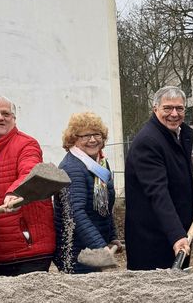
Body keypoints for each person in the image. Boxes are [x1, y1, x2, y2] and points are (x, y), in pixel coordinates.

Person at [124, 86, 193, 270]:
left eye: (179, 108)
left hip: (175, 234)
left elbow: (176, 176)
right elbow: (157, 192)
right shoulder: (148, 141)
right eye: (167, 108)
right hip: (154, 239)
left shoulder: (176, 135)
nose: (174, 114)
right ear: (155, 109)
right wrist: (176, 235)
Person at [0, 96, 54, 276]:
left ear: (14, 119)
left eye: (6, 114)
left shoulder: (27, 144)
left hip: (28, 250)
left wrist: (15, 191)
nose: (0, 117)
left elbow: (29, 170)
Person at [53, 112, 118, 274]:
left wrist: (111, 236)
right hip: (75, 251)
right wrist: (99, 246)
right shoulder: (72, 167)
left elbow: (105, 207)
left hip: (92, 246)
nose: (93, 140)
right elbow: (76, 213)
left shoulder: (100, 164)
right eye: (86, 135)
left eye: (97, 134)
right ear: (73, 139)